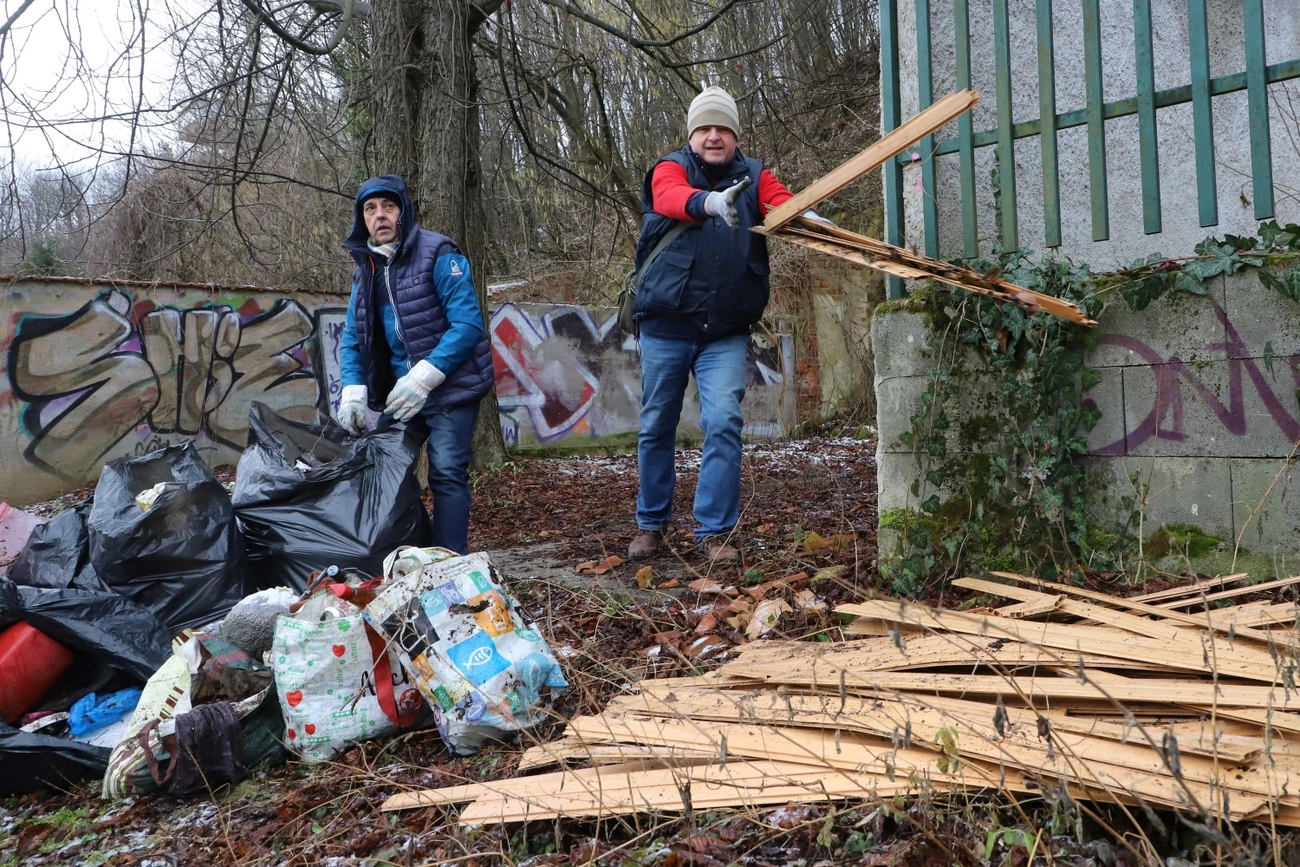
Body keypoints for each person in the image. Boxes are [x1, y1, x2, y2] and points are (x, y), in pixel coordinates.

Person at [627, 86, 825, 564]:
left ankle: (714, 532)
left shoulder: (756, 175)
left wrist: (810, 218)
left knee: (724, 422)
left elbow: (783, 205)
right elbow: (670, 197)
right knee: (657, 425)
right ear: (692, 134)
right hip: (666, 326)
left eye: (723, 129)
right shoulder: (669, 168)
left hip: (724, 331)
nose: (714, 136)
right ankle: (651, 524)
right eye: (705, 129)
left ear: (735, 136)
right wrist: (709, 203)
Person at [334, 174, 494, 556]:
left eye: (388, 206)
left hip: (451, 387)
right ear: (362, 220)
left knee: (446, 472)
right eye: (370, 209)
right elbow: (354, 340)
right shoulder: (365, 271)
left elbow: (468, 325)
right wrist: (352, 396)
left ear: (403, 211)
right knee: (385, 468)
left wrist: (423, 378)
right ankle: (409, 551)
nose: (380, 215)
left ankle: (450, 559)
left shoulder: (439, 253)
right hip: (400, 394)